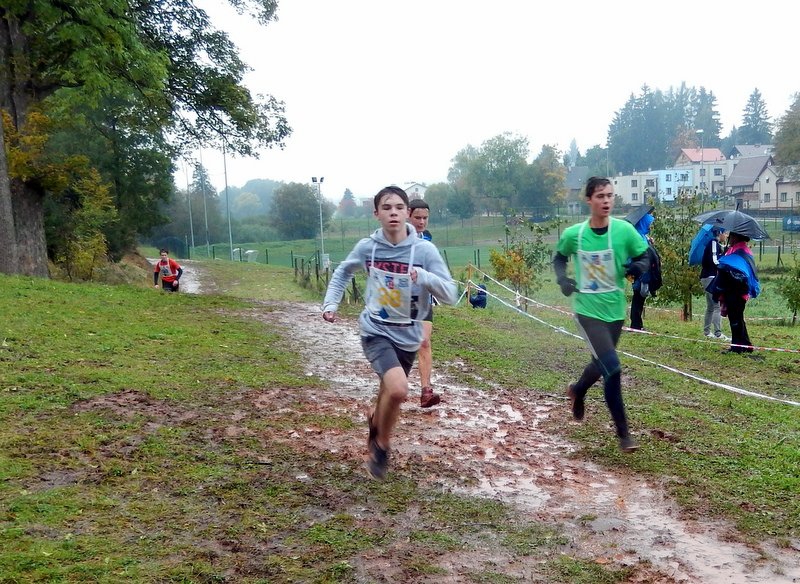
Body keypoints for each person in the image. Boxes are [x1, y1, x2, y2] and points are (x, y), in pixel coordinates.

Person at [322, 186, 457, 479]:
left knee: (388, 391)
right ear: (376, 213)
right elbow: (343, 271)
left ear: (407, 213)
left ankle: (375, 420)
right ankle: (381, 445)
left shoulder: (424, 251)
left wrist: (424, 276)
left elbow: (451, 294)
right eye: (386, 207)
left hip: (408, 335)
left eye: (398, 207)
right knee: (398, 389)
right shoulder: (368, 248)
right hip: (376, 329)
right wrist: (331, 303)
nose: (393, 212)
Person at [553, 177, 650, 452]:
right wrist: (563, 280)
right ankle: (624, 435)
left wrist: (637, 266)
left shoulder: (624, 231)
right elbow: (559, 257)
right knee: (613, 368)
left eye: (609, 195)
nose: (606, 201)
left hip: (614, 311)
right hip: (587, 312)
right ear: (589, 200)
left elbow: (645, 256)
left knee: (600, 363)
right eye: (600, 196)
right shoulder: (575, 235)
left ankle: (577, 389)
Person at [408, 198, 440, 407]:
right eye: (417, 217)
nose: (421, 222)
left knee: (424, 342)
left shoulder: (427, 239)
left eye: (425, 218)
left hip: (422, 299)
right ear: (408, 215)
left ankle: (426, 391)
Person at [707, 232, 760, 355]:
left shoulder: (741, 251)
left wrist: (725, 262)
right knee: (738, 318)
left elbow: (737, 271)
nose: (729, 238)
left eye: (730, 236)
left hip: (736, 292)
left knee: (735, 319)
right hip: (734, 290)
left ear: (735, 237)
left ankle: (737, 347)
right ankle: (746, 345)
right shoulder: (736, 250)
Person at [627, 211, 658, 331]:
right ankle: (635, 324)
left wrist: (650, 243)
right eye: (649, 223)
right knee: (638, 296)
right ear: (643, 223)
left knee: (640, 297)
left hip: (642, 271)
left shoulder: (643, 236)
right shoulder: (638, 237)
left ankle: (637, 323)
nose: (650, 226)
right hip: (639, 272)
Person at [700, 227, 730, 340]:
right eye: (725, 233)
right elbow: (715, 260)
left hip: (708, 277)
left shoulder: (716, 244)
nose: (727, 236)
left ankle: (707, 332)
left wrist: (723, 252)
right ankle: (718, 333)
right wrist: (724, 257)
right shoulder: (713, 242)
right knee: (717, 306)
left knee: (710, 307)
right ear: (720, 233)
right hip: (710, 277)